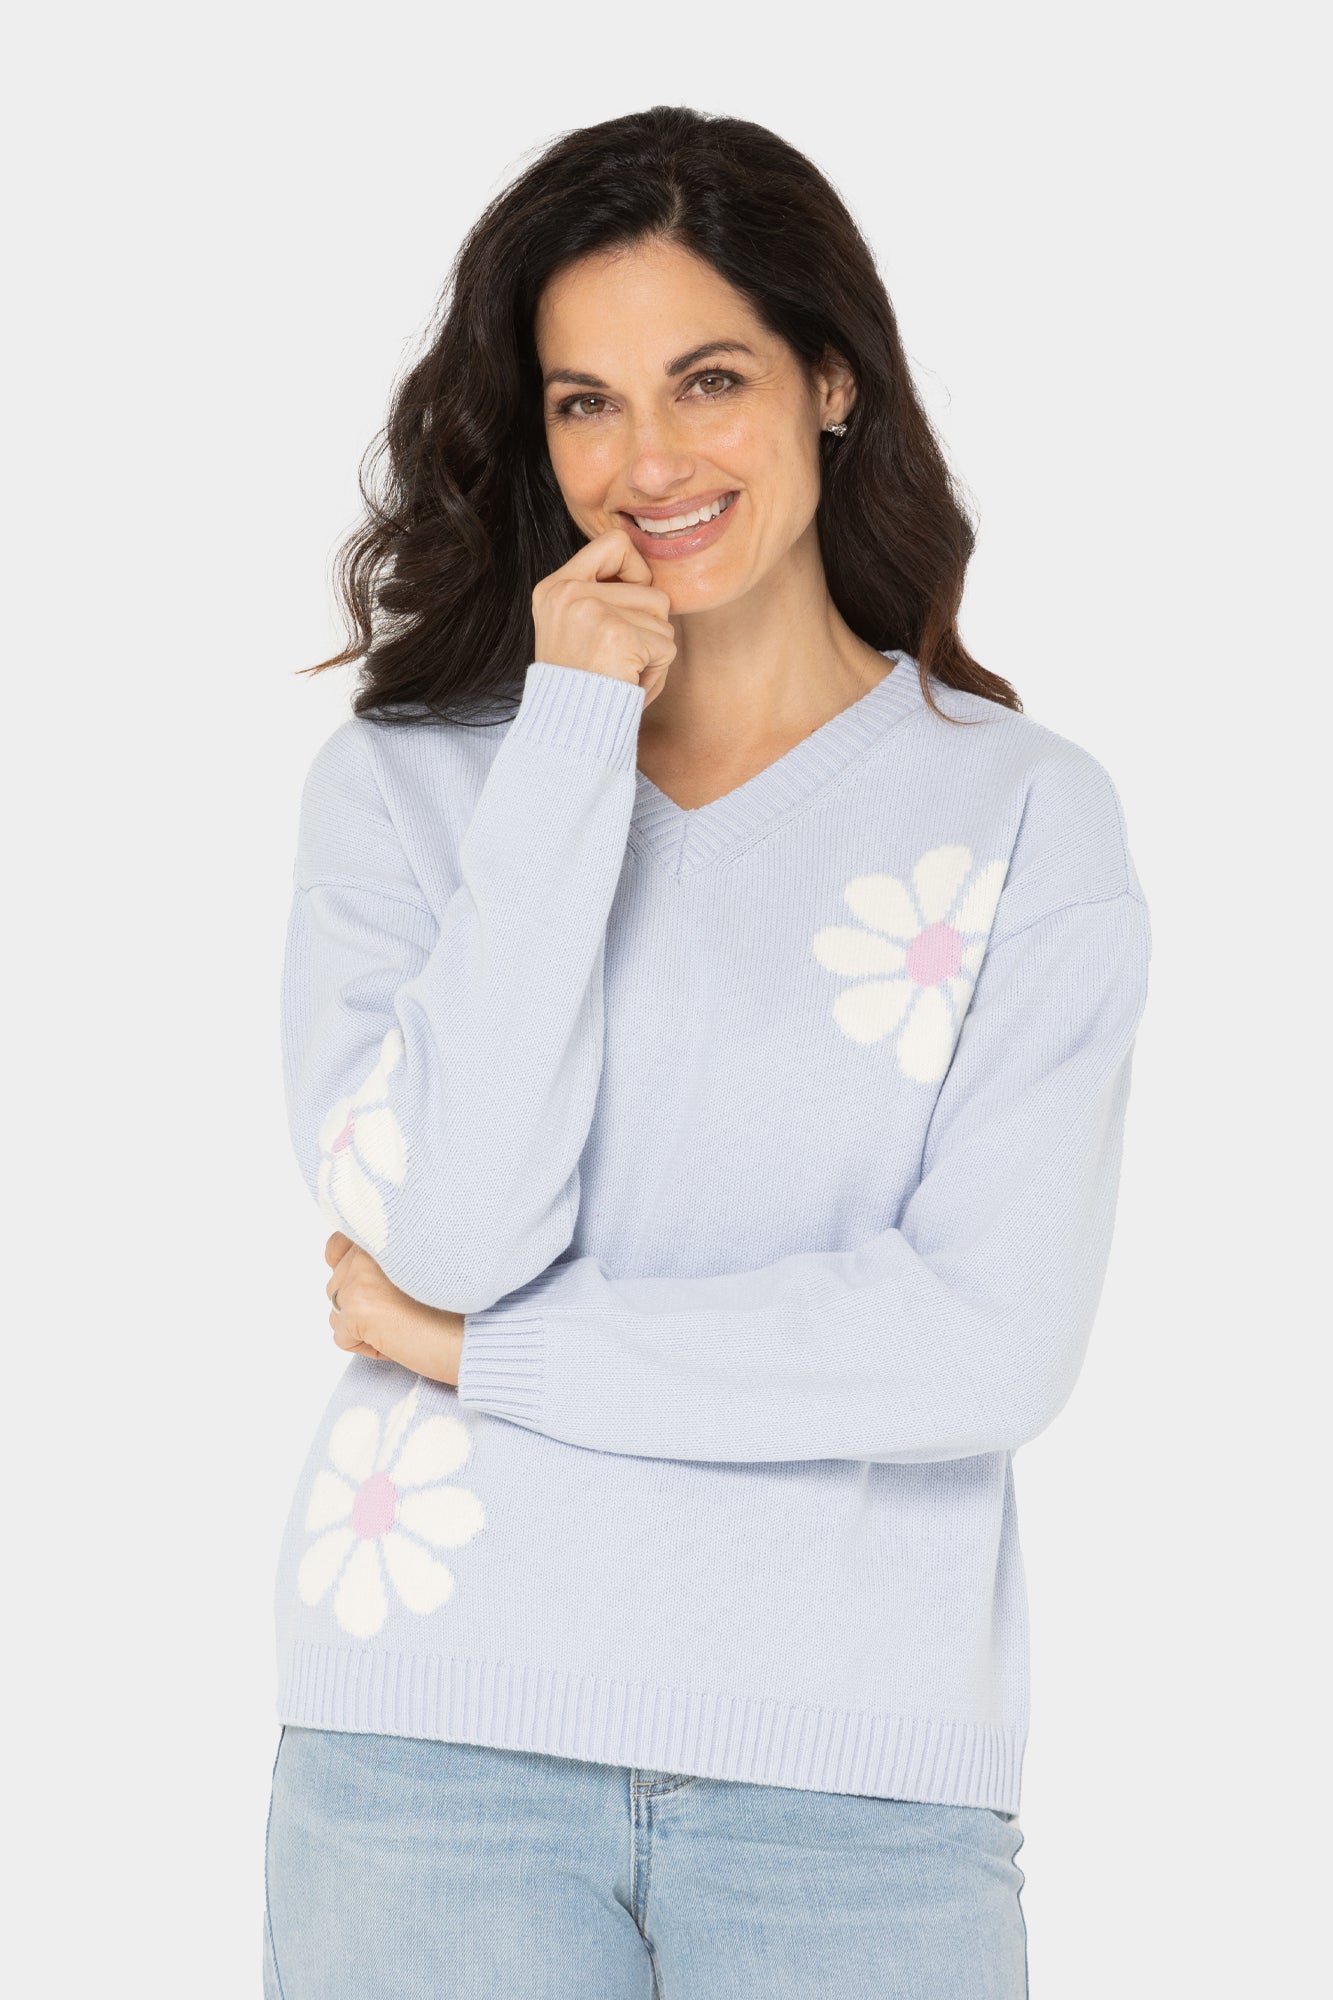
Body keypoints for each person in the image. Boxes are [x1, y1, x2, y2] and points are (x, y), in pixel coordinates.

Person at [262, 104, 1151, 2000]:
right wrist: (569, 741)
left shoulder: (1021, 817)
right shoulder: (412, 792)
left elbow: (984, 1343)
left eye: (708, 380)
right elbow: (453, 1229)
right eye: (584, 402)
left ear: (832, 381)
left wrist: (488, 1359)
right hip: (430, 1752)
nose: (646, 461)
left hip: (857, 1784)